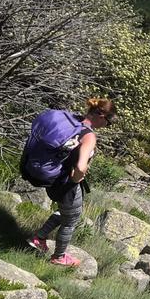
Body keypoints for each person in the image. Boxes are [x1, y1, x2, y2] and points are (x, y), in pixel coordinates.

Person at [27, 98, 116, 266]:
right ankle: (59, 257)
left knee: (66, 212)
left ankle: (39, 237)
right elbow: (81, 167)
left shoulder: (73, 121)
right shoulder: (88, 136)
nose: (107, 126)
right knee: (72, 219)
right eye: (109, 122)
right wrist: (76, 179)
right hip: (67, 183)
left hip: (52, 177)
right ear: (102, 116)